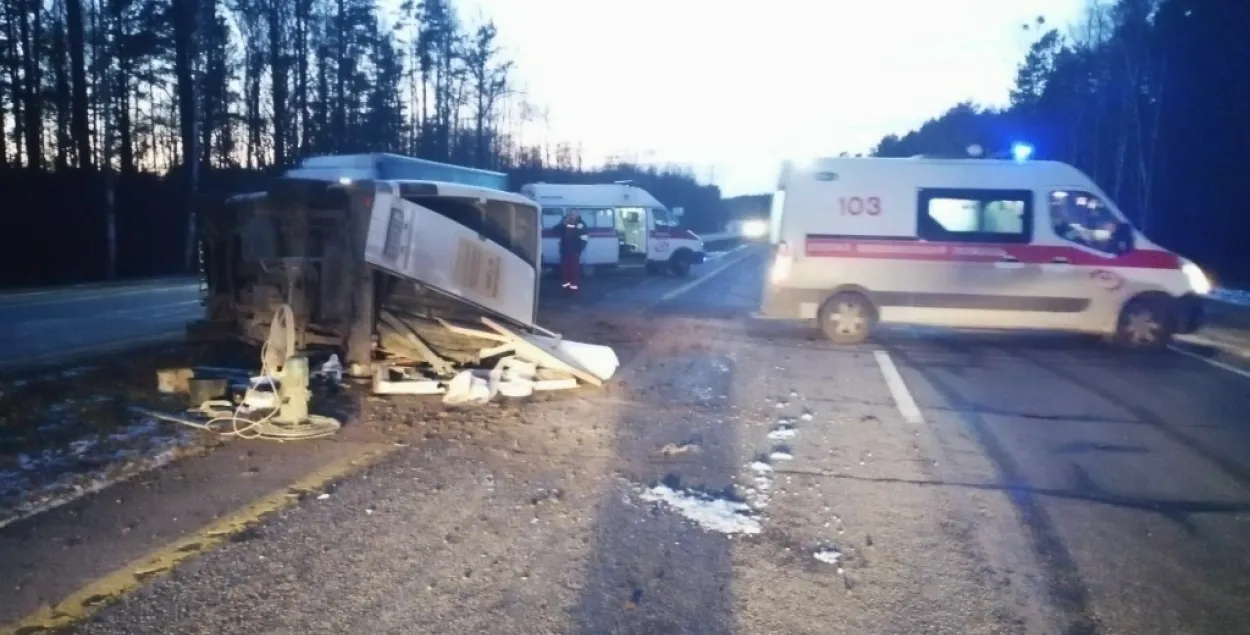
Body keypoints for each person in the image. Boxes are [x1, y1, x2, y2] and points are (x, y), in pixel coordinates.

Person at [558, 210, 588, 293]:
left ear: (577, 215)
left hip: (574, 252)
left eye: (574, 214)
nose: (572, 216)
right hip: (564, 251)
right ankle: (565, 289)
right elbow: (555, 230)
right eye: (571, 214)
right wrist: (562, 225)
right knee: (564, 270)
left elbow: (584, 238)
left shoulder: (580, 224)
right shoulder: (564, 222)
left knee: (574, 271)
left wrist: (579, 249)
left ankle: (574, 290)